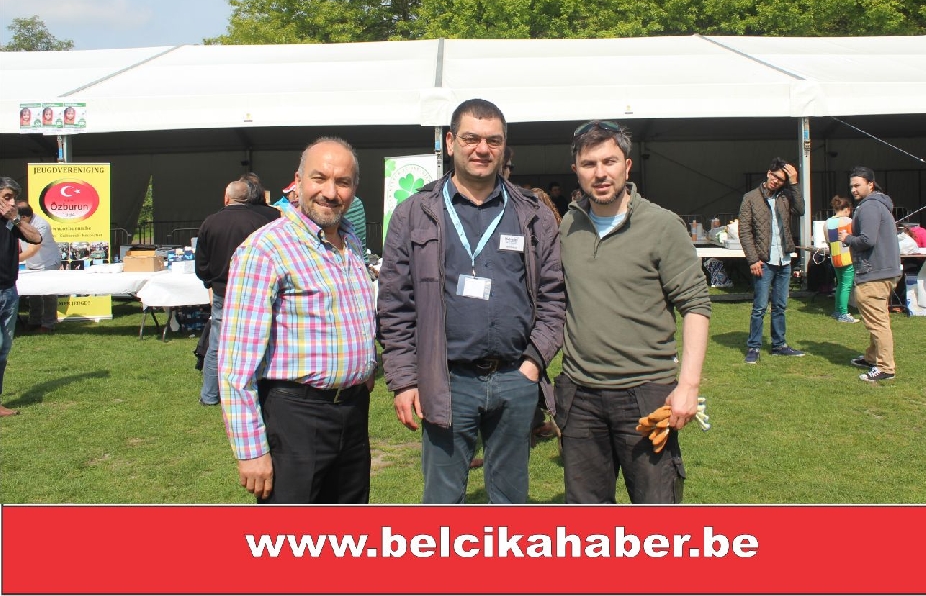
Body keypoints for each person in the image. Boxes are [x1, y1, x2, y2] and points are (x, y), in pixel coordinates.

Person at [377, 98, 565, 504]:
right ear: (450, 142)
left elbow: (554, 295)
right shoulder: (413, 214)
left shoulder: (532, 213)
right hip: (446, 380)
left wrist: (533, 364)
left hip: (516, 377)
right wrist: (405, 380)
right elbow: (395, 306)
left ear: (504, 147)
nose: (482, 149)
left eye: (493, 140)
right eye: (471, 138)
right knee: (442, 501)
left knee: (510, 500)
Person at [556, 120, 710, 504]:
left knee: (655, 512)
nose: (600, 173)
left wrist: (689, 386)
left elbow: (695, 304)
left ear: (627, 165)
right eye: (589, 164)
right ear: (576, 170)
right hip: (580, 395)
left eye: (609, 161)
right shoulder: (568, 225)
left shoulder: (662, 225)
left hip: (645, 394)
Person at [219, 139, 378, 503]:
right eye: (319, 178)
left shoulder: (350, 243)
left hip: (353, 412)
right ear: (298, 181)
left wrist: (365, 365)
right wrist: (251, 451)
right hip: (296, 418)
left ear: (354, 188)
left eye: (342, 182)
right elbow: (236, 365)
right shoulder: (265, 249)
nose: (330, 192)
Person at [194, 180, 275, 406]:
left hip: (223, 290)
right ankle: (254, 393)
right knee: (257, 342)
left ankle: (210, 394)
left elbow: (201, 264)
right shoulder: (260, 222)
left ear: (226, 197)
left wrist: (210, 281)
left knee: (217, 343)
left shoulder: (210, 222)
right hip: (253, 290)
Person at [738, 157, 805, 363]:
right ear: (768, 173)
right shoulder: (751, 198)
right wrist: (753, 260)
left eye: (781, 179)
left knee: (780, 306)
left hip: (784, 259)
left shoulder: (785, 196)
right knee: (759, 307)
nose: (776, 181)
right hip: (764, 260)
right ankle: (754, 346)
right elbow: (744, 231)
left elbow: (800, 210)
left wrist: (794, 182)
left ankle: (779, 345)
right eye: (775, 176)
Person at [842, 167, 901, 383]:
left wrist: (847, 238)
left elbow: (867, 240)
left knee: (877, 322)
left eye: (857, 185)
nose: (853, 190)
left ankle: (885, 367)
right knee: (877, 318)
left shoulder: (869, 207)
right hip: (884, 271)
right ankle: (871, 357)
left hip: (873, 272)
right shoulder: (879, 205)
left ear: (870, 184)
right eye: (851, 186)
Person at [0, 177, 42, 417]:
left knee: (4, 348)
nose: (12, 202)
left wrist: (15, 219)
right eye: (7, 197)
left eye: (14, 198)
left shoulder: (12, 220)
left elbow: (36, 238)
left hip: (9, 291)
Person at [16, 202, 62, 332]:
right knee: (33, 294)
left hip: (48, 262)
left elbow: (33, 250)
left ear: (24, 217)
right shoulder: (19, 223)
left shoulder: (42, 225)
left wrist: (12, 260)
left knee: (49, 294)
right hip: (32, 263)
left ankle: (48, 324)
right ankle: (34, 321)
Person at [825, 195, 859, 323]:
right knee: (846, 286)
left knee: (840, 284)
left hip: (835, 257)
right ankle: (843, 313)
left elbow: (828, 241)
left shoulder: (827, 223)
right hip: (847, 257)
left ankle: (838, 310)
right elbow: (855, 239)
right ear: (847, 209)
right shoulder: (849, 222)